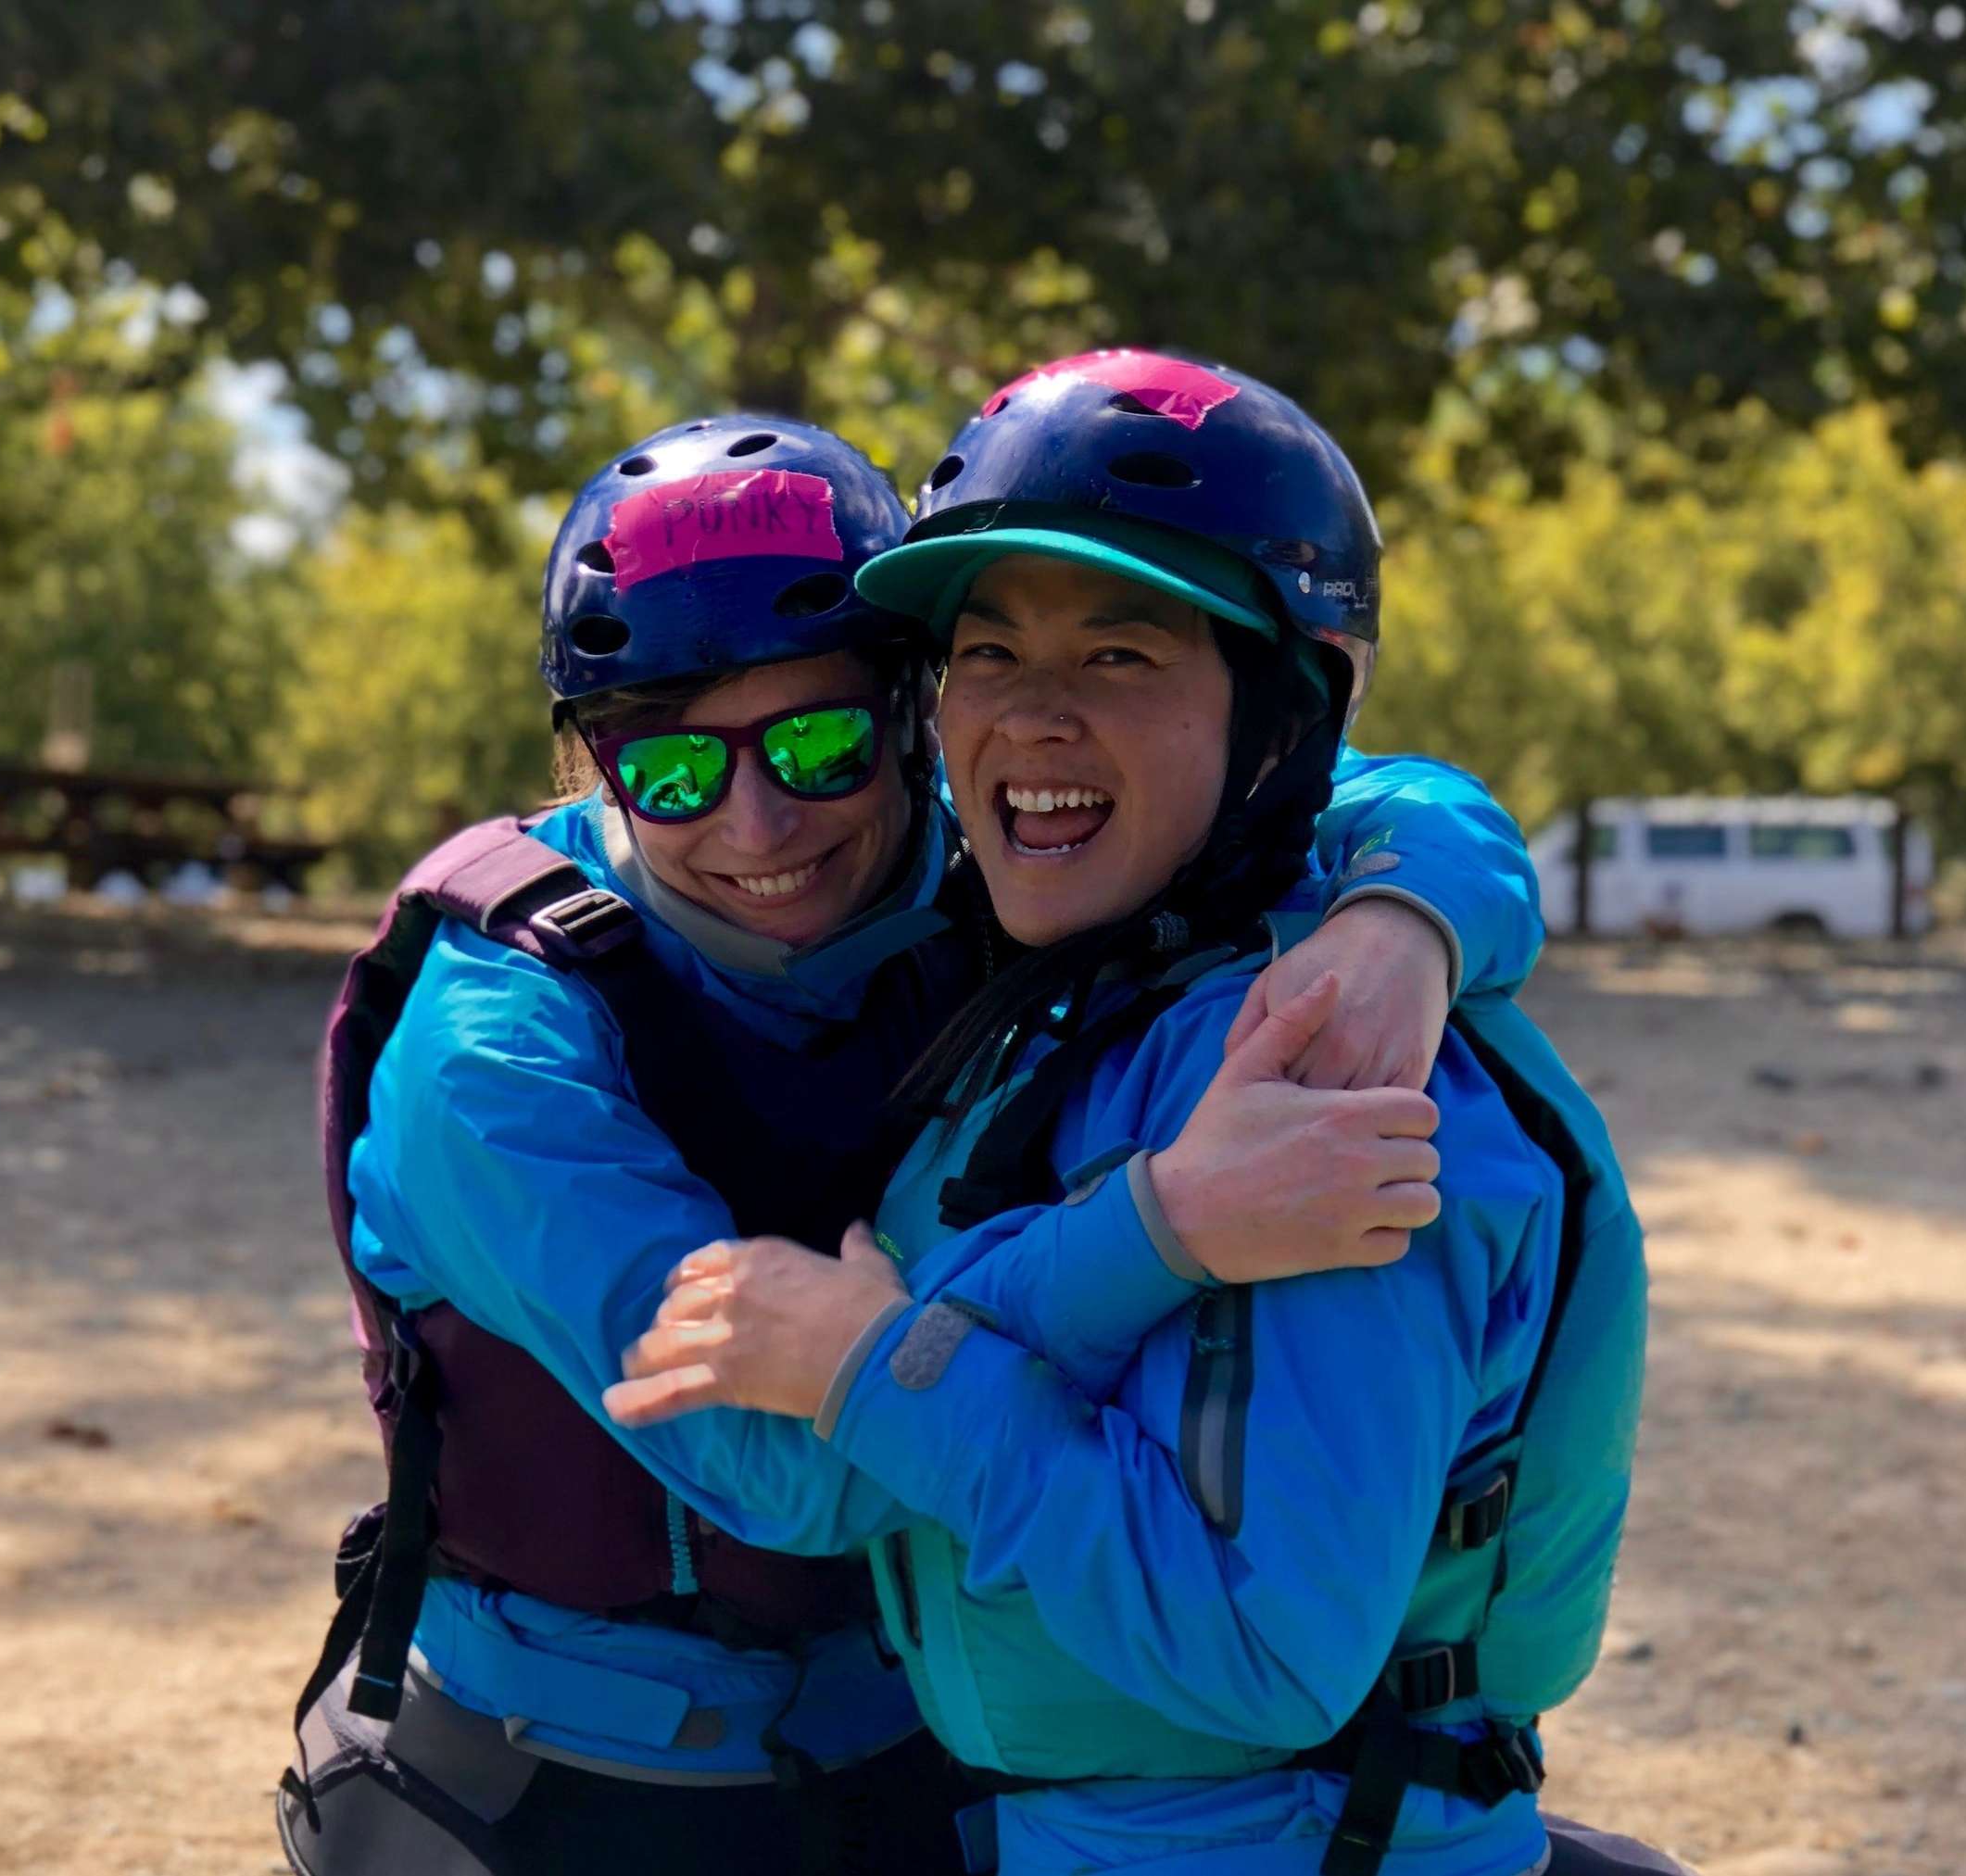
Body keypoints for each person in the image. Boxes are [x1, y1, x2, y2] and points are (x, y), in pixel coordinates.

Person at [280, 406, 1552, 1875]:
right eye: (673, 774)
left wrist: (1409, 921)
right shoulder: (493, 1057)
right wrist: (1164, 1229)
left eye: (819, 742)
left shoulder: (1002, 849)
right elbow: (783, 1461)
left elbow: (1355, 784)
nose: (758, 826)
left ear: (912, 711)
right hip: (570, 1782)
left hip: (920, 1752)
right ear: (595, 766)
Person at [607, 353, 1657, 1876]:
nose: (1030, 721)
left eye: (1119, 656)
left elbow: (1260, 1647)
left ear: (1283, 718)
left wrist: (876, 1366)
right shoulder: (1088, 983)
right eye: (985, 655)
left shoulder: (1319, 1066)